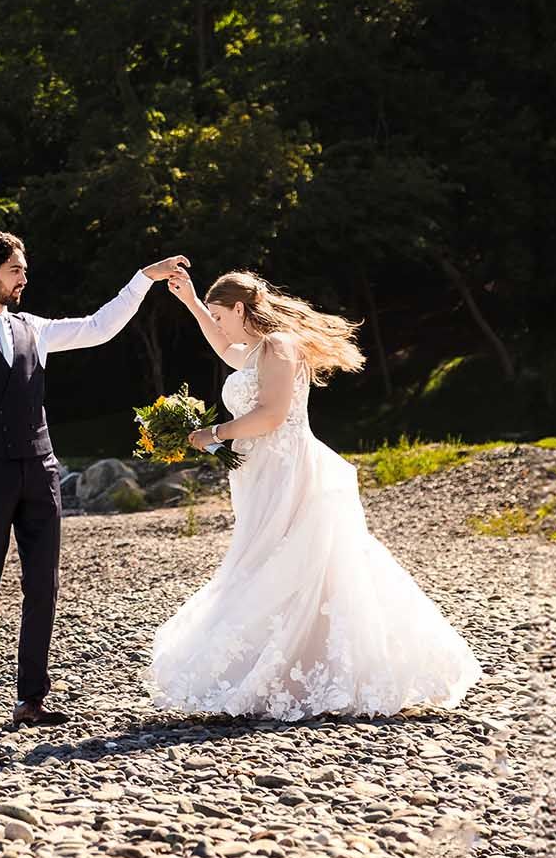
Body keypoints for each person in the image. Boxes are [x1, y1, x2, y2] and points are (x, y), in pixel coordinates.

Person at [147, 269, 482, 719]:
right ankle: (288, 667)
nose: (218, 323)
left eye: (220, 314)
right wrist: (190, 301)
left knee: (287, 563)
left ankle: (308, 671)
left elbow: (271, 415)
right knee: (272, 562)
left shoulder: (279, 346)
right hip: (259, 474)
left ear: (241, 309)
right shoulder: (254, 351)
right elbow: (226, 349)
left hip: (289, 473)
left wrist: (211, 433)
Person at [0, 230, 188, 739]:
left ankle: (31, 699)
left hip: (41, 472)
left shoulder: (34, 328)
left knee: (43, 584)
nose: (24, 278)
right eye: (16, 270)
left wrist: (143, 280)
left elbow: (98, 328)